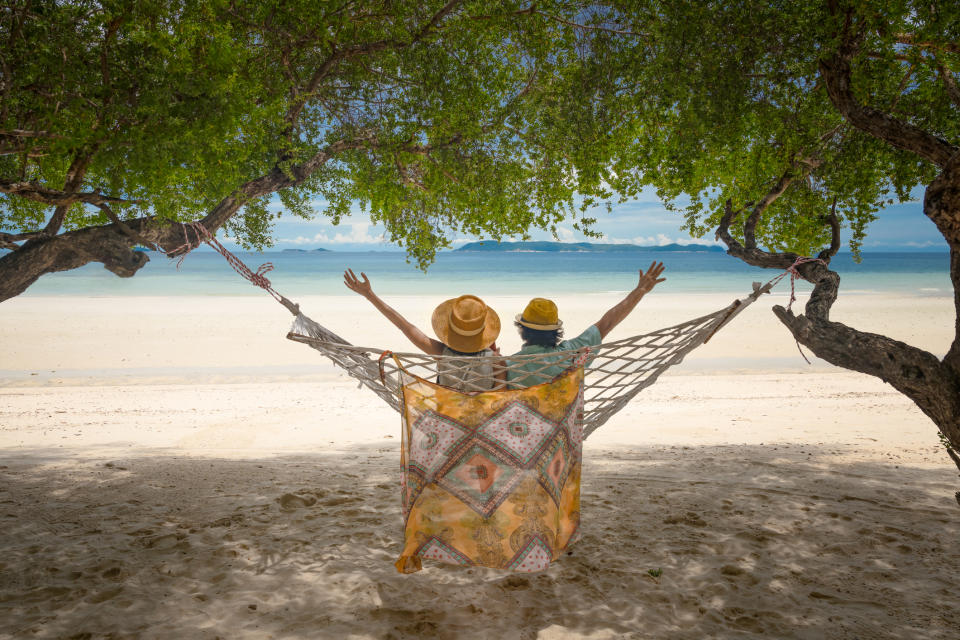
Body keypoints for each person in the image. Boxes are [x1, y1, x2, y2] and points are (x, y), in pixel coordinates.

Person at [507, 261, 667, 388]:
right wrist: (640, 290)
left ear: (522, 329)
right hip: (564, 427)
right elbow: (607, 323)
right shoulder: (571, 354)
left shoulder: (508, 366)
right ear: (556, 331)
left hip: (520, 428)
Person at [343, 269, 505, 391]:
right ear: (484, 334)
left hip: (447, 424)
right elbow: (501, 399)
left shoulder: (442, 354)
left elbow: (404, 326)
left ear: (450, 331)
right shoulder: (497, 362)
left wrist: (370, 295)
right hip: (483, 428)